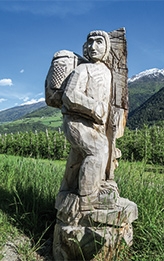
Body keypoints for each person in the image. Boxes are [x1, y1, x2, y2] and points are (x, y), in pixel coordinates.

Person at [59, 30, 114, 210]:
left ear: (107, 47)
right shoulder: (83, 69)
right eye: (90, 42)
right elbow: (69, 95)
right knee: (97, 151)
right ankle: (88, 199)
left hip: (94, 124)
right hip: (77, 121)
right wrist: (94, 107)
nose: (93, 47)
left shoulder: (107, 72)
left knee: (77, 157)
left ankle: (66, 190)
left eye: (99, 42)